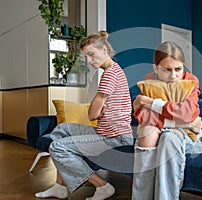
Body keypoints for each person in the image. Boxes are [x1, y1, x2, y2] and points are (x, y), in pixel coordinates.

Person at [35, 30, 133, 200]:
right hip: (105, 133)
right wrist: (100, 110)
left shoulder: (111, 74)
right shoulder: (111, 71)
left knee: (57, 147)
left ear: (104, 50)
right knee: (61, 130)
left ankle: (102, 186)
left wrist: (98, 111)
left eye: (91, 54)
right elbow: (96, 112)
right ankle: (60, 187)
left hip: (116, 138)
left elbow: (92, 114)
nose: (88, 60)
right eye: (86, 56)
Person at [132, 41, 202, 200]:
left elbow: (186, 113)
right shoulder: (149, 80)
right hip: (179, 128)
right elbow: (143, 116)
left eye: (178, 69)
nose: (173, 76)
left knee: (169, 137)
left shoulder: (190, 81)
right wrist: (186, 122)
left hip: (187, 138)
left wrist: (151, 103)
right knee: (146, 133)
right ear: (156, 68)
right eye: (167, 70)